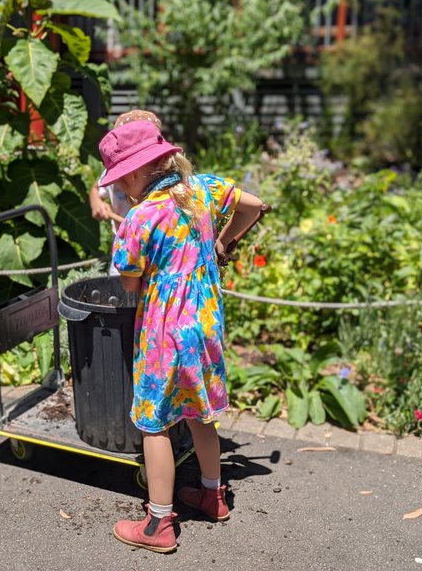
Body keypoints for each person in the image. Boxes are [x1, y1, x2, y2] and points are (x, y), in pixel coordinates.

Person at [97, 121, 265, 553]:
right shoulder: (204, 189)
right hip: (205, 323)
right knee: (200, 411)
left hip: (164, 332)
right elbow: (255, 206)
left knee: (153, 422)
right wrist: (222, 244)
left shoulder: (140, 217)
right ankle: (213, 495)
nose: (122, 188)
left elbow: (130, 284)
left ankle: (158, 523)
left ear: (139, 170)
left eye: (122, 178)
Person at [89, 110, 163, 276]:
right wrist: (97, 203)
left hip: (156, 255)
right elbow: (95, 189)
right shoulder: (112, 174)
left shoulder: (164, 180)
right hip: (124, 249)